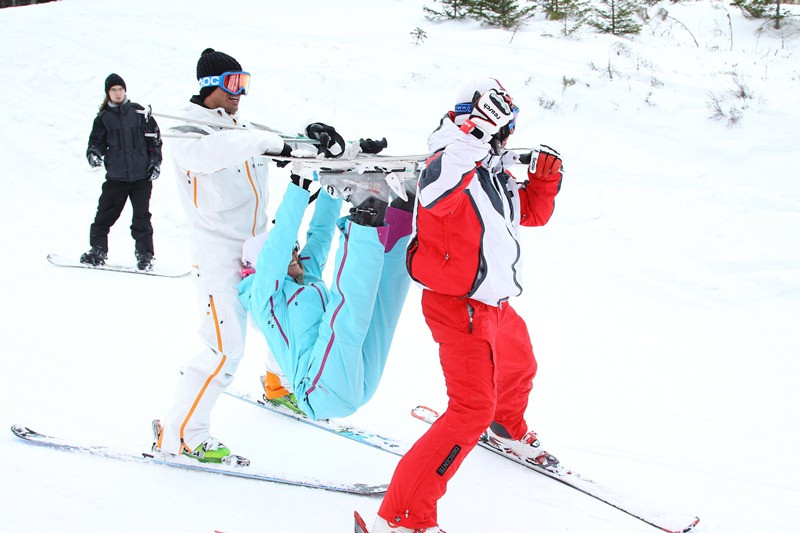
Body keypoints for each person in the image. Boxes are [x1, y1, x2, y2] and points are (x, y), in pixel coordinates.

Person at [372, 78, 565, 532]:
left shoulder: (491, 170)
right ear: (473, 117)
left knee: (520, 367)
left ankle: (506, 428)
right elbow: (436, 195)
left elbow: (532, 215)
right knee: (469, 409)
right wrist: (474, 136)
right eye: (500, 122)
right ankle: (404, 518)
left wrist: (546, 177)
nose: (504, 134)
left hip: (495, 303)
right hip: (460, 308)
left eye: (507, 125)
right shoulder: (447, 159)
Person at [153, 48, 348, 464]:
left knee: (284, 314)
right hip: (218, 254)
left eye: (244, 82)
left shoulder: (242, 127)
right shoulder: (189, 134)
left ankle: (279, 386)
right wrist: (268, 142)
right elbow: (225, 150)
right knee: (224, 348)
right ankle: (181, 434)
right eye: (232, 83)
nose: (240, 92)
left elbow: (269, 142)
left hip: (259, 246)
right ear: (209, 86)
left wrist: (307, 138)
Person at [238, 168, 414, 421]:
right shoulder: (265, 299)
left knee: (383, 302)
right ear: (266, 265)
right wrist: (298, 185)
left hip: (351, 385)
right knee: (345, 313)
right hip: (319, 389)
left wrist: (333, 188)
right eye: (287, 254)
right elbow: (280, 240)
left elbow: (320, 233)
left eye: (295, 249)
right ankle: (368, 208)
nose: (295, 255)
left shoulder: (306, 274)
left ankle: (403, 205)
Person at [81, 73, 162, 271]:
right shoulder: (103, 119)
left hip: (141, 178)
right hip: (116, 178)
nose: (117, 93)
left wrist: (155, 162)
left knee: (142, 219)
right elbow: (96, 143)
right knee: (104, 217)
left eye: (120, 89)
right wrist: (94, 154)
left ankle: (145, 256)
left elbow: (155, 141)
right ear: (108, 93)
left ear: (125, 91)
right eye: (113, 90)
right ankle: (98, 251)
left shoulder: (140, 113)